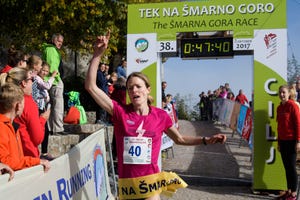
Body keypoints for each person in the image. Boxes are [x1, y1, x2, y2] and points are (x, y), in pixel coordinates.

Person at [85, 32, 227, 200]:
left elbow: (179, 139)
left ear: (148, 89)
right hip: (128, 188)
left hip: (150, 187)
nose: (134, 91)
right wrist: (97, 55)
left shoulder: (160, 116)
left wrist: (205, 140)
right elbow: (91, 86)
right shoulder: (120, 112)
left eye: (138, 86)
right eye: (130, 88)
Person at [0, 67, 51, 158]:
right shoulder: (28, 103)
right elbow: (37, 138)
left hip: (13, 156)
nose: (33, 82)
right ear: (24, 83)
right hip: (27, 157)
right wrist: (43, 119)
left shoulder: (5, 99)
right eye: (31, 79)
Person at [276, 85, 300, 200]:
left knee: (291, 167)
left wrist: (298, 141)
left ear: (288, 94)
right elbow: (279, 126)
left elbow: (298, 124)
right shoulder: (279, 108)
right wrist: (279, 142)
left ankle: (294, 194)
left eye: (284, 92)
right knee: (286, 167)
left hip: (292, 142)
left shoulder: (292, 106)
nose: (282, 95)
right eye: (280, 93)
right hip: (283, 142)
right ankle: (289, 191)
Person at [31, 61, 57, 160]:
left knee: (45, 130)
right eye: (43, 70)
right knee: (40, 130)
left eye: (47, 71)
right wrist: (53, 76)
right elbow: (47, 86)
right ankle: (39, 152)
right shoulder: (37, 78)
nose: (45, 73)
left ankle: (44, 152)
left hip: (43, 107)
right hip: (37, 108)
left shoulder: (42, 79)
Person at [42, 33, 66, 135]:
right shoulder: (52, 50)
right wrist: (56, 75)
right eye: (58, 41)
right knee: (58, 105)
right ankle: (58, 128)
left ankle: (51, 128)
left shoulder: (49, 49)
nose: (60, 44)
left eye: (61, 42)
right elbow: (52, 66)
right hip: (54, 80)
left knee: (50, 105)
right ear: (53, 40)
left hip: (49, 80)